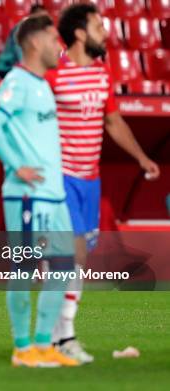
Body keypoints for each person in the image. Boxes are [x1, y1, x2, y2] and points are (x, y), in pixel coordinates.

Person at [45, 3, 160, 363]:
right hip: (60, 177)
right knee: (68, 257)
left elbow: (113, 122)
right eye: (98, 24)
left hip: (89, 181)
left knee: (75, 260)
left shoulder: (100, 75)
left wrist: (141, 158)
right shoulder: (54, 75)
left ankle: (56, 338)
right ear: (79, 33)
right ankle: (63, 337)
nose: (106, 31)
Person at [0, 15, 79, 367]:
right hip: (27, 194)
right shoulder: (18, 81)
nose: (60, 46)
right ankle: (22, 348)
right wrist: (15, 164)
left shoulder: (41, 84)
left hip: (54, 194)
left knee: (64, 269)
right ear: (35, 43)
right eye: (54, 39)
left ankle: (42, 345)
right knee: (23, 269)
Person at [0, 5, 48, 77]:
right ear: (32, 17)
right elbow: (21, 56)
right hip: (7, 69)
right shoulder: (21, 29)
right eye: (41, 18)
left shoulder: (39, 33)